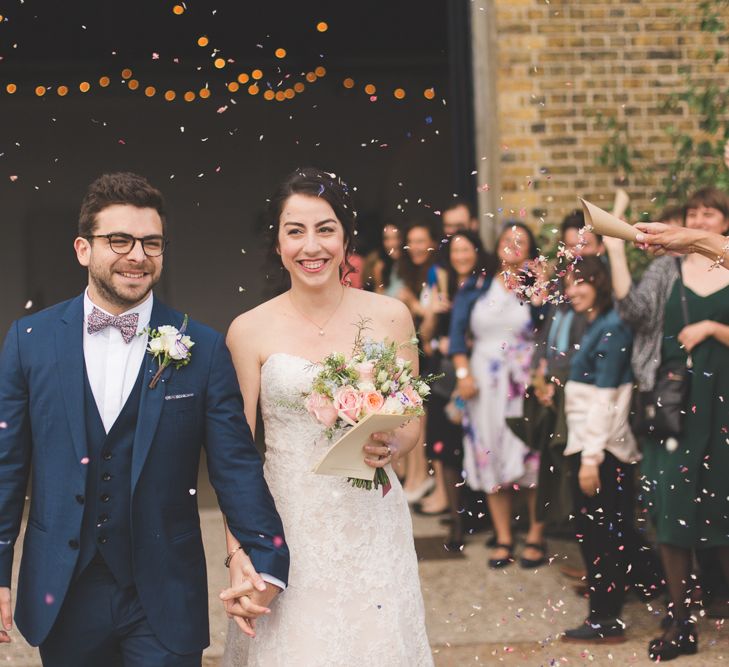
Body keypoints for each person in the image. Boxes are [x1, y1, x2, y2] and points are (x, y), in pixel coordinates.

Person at [0, 172, 289, 665]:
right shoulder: (30, 339)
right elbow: (6, 466)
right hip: (64, 589)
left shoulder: (201, 347)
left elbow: (236, 465)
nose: (137, 255)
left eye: (151, 243)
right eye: (119, 240)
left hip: (163, 591)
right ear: (82, 249)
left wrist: (267, 561)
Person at [221, 168, 432, 666]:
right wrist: (239, 556)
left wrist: (395, 444)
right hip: (286, 525)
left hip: (371, 522)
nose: (310, 246)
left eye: (325, 229)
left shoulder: (391, 316)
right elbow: (235, 456)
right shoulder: (248, 331)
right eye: (295, 231)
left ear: (346, 239)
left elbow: (411, 420)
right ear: (277, 243)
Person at [605, 187, 729, 661]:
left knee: (723, 505)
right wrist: (617, 250)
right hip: (676, 405)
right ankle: (680, 620)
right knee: (672, 506)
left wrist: (715, 330)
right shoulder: (667, 268)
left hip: (725, 410)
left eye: (709, 212)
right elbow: (634, 314)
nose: (699, 218)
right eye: (692, 212)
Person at [560, 257, 661, 643]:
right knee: (610, 531)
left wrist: (590, 458)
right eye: (568, 285)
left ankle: (606, 621)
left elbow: (609, 399)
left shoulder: (613, 327)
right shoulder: (600, 324)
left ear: (599, 282)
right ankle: (655, 585)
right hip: (594, 444)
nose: (571, 292)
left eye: (578, 283)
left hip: (602, 451)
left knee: (599, 536)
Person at [449, 222, 546, 569]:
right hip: (483, 383)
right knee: (489, 450)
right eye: (508, 239)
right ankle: (503, 535)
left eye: (521, 241)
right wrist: (463, 375)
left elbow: (548, 329)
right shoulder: (476, 286)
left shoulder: (537, 285)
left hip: (524, 382)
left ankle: (535, 534)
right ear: (498, 245)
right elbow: (457, 337)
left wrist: (542, 287)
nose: (513, 245)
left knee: (528, 452)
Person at [396, 221, 447, 503]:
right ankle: (415, 477)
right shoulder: (411, 273)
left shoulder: (435, 272)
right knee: (413, 413)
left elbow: (430, 318)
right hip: (418, 347)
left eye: (421, 241)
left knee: (420, 414)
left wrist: (414, 306)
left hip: (432, 351)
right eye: (411, 241)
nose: (415, 247)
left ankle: (422, 477)